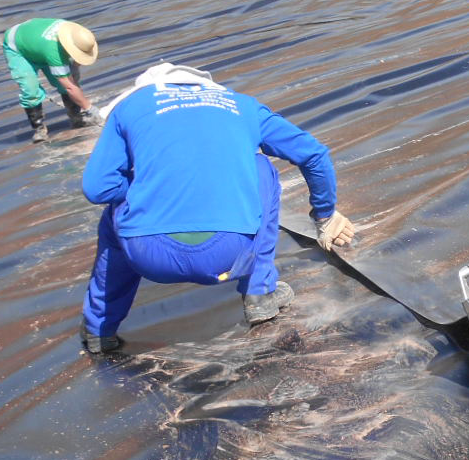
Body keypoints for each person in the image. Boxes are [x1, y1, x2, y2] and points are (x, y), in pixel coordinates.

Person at [77, 63, 357, 353]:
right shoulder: (241, 105)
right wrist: (325, 215)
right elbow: (313, 154)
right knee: (262, 168)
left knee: (115, 214)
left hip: (148, 255)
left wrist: (145, 190)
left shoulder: (131, 107)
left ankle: (99, 328)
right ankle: (259, 293)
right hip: (228, 253)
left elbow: (98, 188)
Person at [0, 17, 102, 143]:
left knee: (65, 80)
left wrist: (74, 67)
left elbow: (78, 56)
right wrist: (89, 108)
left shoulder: (76, 33)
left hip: (37, 43)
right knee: (31, 90)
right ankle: (39, 129)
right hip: (18, 49)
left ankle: (76, 118)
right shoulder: (54, 52)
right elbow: (69, 87)